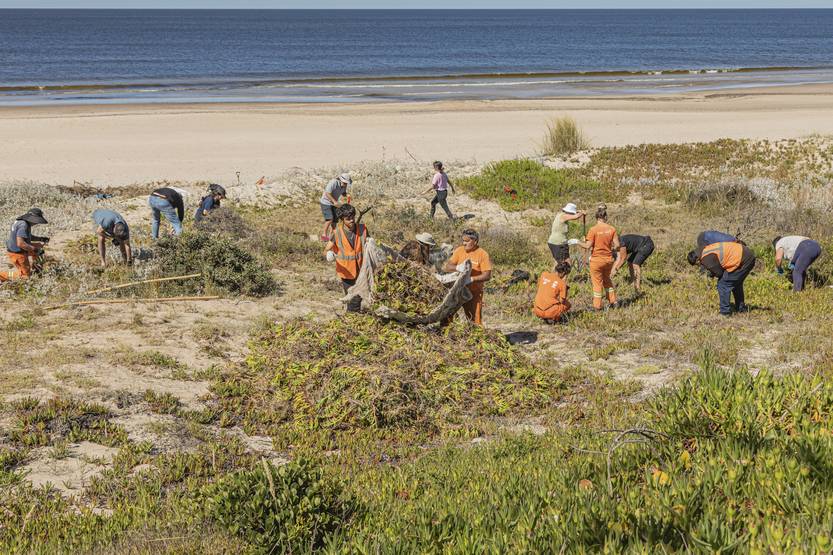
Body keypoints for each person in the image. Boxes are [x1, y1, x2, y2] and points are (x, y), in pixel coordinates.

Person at [688, 240, 756, 316]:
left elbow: (720, 273)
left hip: (743, 259)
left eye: (697, 264)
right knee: (735, 283)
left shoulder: (706, 258)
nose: (699, 266)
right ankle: (741, 308)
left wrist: (711, 273)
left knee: (723, 285)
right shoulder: (705, 249)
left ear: (697, 259)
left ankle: (725, 312)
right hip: (746, 253)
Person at [444, 229, 492, 325]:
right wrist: (458, 267)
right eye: (463, 241)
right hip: (457, 291)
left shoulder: (482, 254)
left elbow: (487, 275)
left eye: (467, 241)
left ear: (475, 241)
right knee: (446, 318)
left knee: (474, 322)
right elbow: (448, 267)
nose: (464, 243)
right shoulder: (459, 251)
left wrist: (471, 279)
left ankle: (476, 338)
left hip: (473, 293)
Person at [578, 205, 619, 311]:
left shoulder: (593, 230)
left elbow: (587, 246)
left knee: (597, 284)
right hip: (608, 260)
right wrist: (611, 248)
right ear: (605, 217)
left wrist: (578, 242)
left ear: (596, 218)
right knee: (607, 281)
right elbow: (617, 246)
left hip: (596, 261)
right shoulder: (612, 229)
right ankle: (613, 302)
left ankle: (597, 306)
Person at [325, 204, 368, 293]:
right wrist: (329, 253)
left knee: (360, 298)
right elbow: (326, 249)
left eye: (353, 217)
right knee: (352, 299)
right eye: (348, 219)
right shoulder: (337, 232)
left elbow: (369, 244)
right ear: (342, 220)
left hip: (362, 270)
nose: (352, 220)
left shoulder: (362, 229)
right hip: (346, 272)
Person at [1, 208, 48, 282]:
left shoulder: (22, 222)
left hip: (18, 249)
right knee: (25, 277)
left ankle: (36, 268)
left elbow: (27, 236)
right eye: (36, 221)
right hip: (17, 253)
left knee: (38, 247)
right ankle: (2, 275)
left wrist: (41, 239)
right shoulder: (24, 225)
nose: (36, 223)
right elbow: (21, 243)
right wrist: (34, 249)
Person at [320, 173, 351, 242]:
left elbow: (343, 193)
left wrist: (346, 195)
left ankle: (332, 235)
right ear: (340, 180)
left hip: (334, 203)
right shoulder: (333, 182)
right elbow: (327, 193)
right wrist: (334, 202)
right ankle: (324, 235)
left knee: (335, 220)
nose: (346, 185)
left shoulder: (344, 185)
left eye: (346, 183)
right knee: (329, 219)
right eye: (345, 183)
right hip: (326, 202)